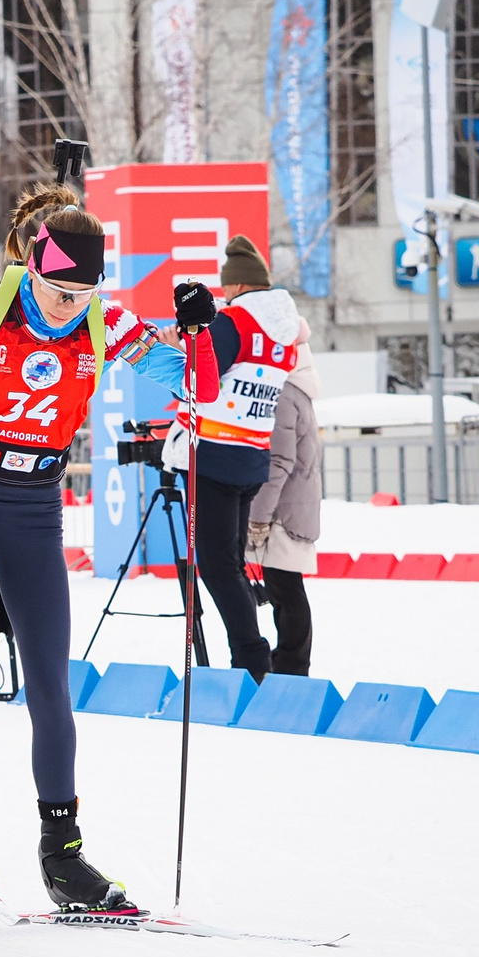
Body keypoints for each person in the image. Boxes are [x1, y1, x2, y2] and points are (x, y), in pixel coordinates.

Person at [0, 184, 217, 914]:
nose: (67, 307)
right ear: (32, 266)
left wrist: (200, 331)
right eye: (57, 291)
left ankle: (63, 856)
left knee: (51, 680)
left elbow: (198, 389)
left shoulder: (104, 322)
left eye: (83, 293)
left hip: (34, 508)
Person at [163, 236, 304, 680]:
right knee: (231, 563)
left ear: (238, 286)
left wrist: (175, 350)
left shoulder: (233, 321)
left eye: (226, 288)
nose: (223, 295)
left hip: (214, 454)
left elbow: (200, 381)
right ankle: (252, 655)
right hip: (252, 455)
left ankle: (251, 658)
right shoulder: (284, 332)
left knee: (217, 566)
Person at [248, 308, 323, 677]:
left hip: (282, 512)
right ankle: (291, 664)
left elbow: (278, 461)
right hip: (294, 505)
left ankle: (291, 667)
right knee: (285, 589)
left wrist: (259, 517)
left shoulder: (281, 394)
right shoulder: (299, 390)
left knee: (285, 590)